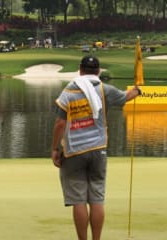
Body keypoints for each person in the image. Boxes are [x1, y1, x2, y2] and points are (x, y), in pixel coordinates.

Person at [51, 55, 142, 240]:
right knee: (96, 199)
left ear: (80, 70)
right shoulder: (104, 90)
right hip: (98, 150)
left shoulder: (69, 91)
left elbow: (60, 123)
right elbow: (125, 97)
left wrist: (54, 149)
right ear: (98, 71)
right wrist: (137, 90)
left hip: (74, 151)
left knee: (78, 200)